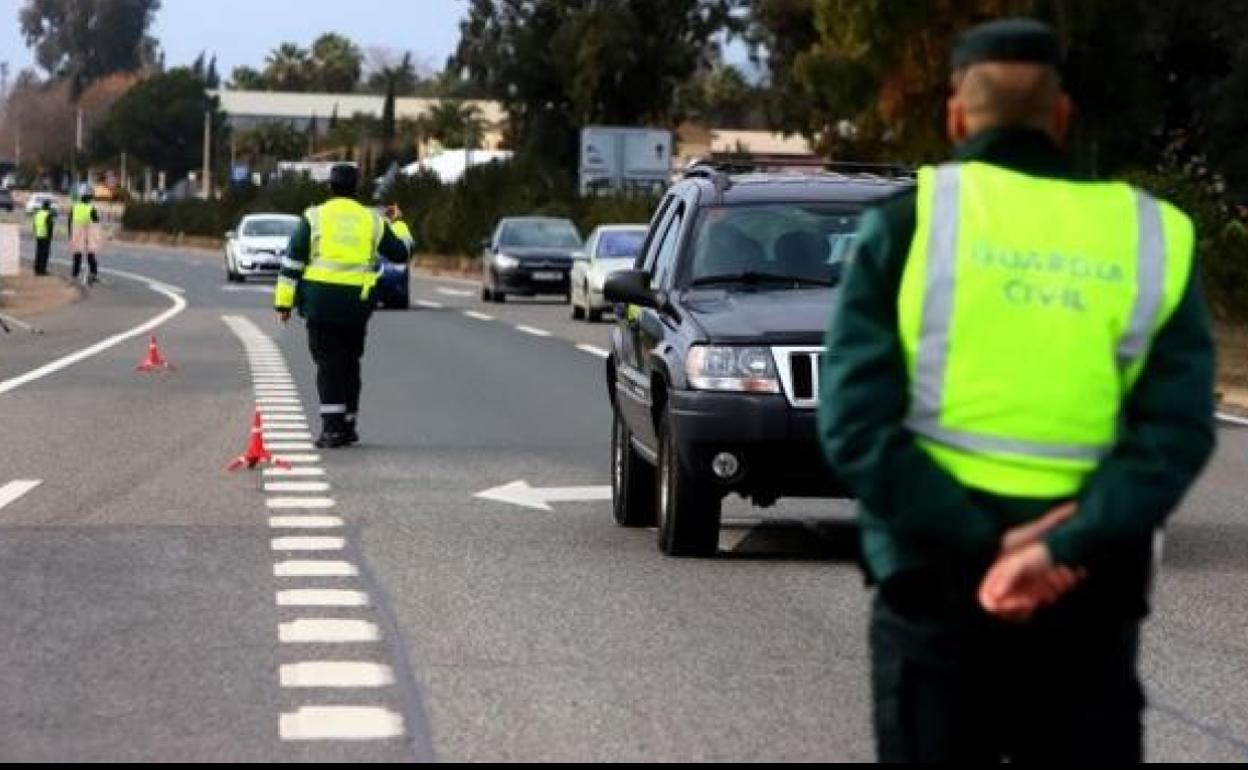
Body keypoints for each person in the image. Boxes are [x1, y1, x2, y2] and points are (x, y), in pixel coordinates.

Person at [818, 18, 1215, 763]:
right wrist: (1057, 548)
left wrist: (983, 547)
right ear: (1061, 116)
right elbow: (1178, 433)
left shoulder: (906, 229)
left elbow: (853, 426)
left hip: (934, 590)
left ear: (955, 116)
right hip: (1085, 594)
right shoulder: (1150, 235)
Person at [274, 163, 409, 448]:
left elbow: (292, 263)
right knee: (350, 363)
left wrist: (283, 304)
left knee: (328, 364)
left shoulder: (315, 217)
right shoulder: (371, 220)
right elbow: (401, 252)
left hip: (321, 304)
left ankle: (332, 429)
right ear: (356, 188)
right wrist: (399, 222)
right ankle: (348, 425)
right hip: (356, 305)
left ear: (329, 187)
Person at [68, 187, 101, 283]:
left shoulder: (74, 207)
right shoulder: (91, 208)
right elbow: (96, 222)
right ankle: (93, 274)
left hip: (76, 234)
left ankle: (75, 275)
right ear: (88, 198)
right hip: (88, 234)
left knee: (77, 256)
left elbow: (69, 221)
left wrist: (70, 234)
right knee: (91, 255)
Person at [32, 199, 55, 276]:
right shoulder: (48, 214)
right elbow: (50, 226)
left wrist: (35, 233)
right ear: (48, 206)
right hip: (45, 236)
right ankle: (42, 270)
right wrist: (50, 236)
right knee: (44, 254)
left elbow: (34, 224)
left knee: (38, 253)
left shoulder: (38, 213)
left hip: (38, 235)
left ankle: (37, 269)